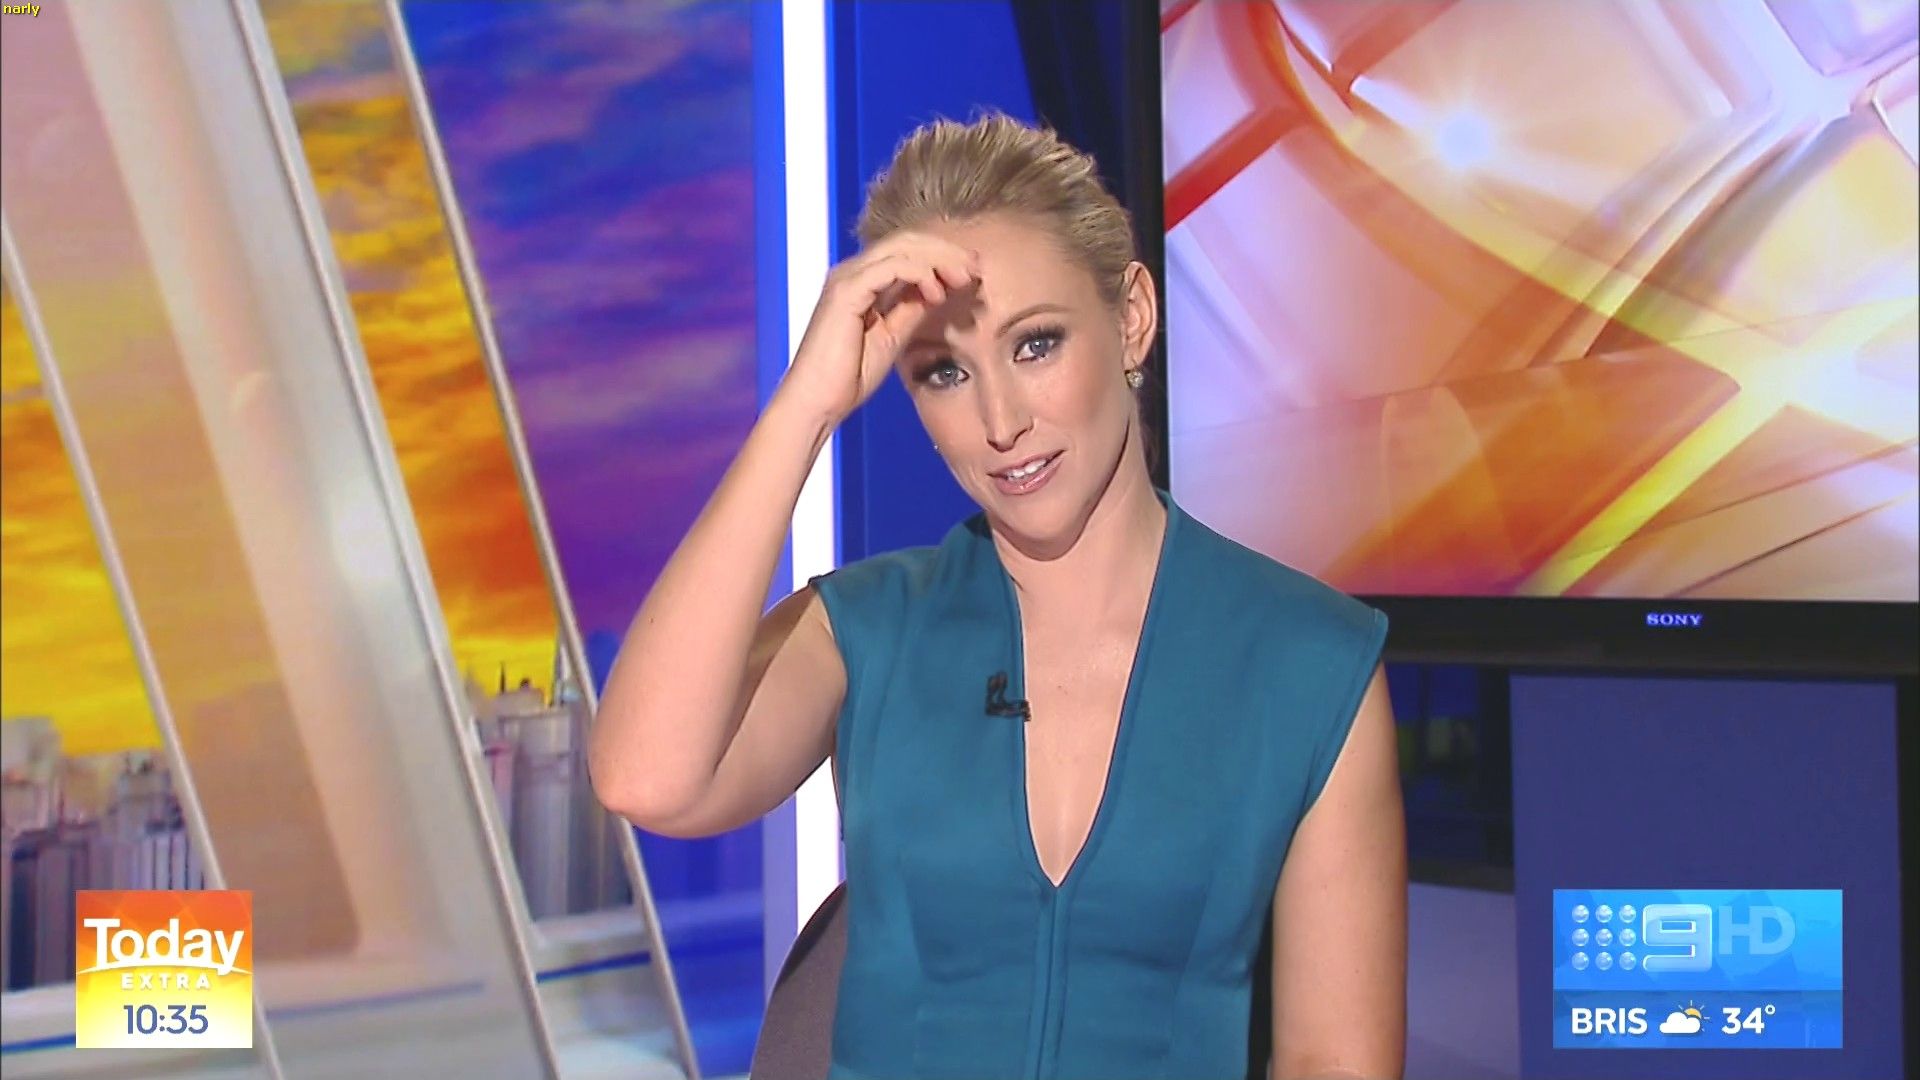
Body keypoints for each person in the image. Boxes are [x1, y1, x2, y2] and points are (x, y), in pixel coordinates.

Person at [589, 113, 1406, 1080]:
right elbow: (645, 778)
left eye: (1036, 345)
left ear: (1132, 317)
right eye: (944, 373)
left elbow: (1333, 1060)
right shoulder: (867, 630)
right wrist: (805, 405)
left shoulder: (1309, 661)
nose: (999, 421)